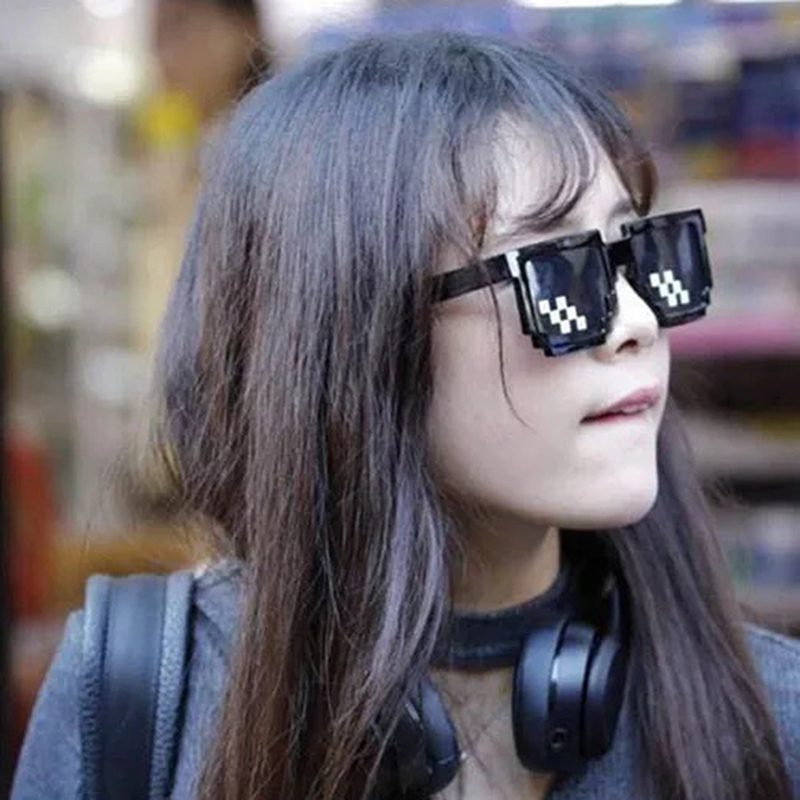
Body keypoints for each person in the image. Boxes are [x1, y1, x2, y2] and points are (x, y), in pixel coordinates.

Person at [11, 32, 800, 800]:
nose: (637, 320)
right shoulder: (140, 703)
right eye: (558, 271)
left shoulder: (767, 717)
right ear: (356, 331)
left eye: (636, 252)